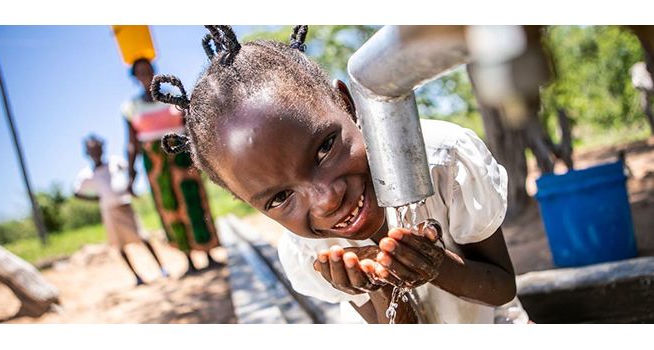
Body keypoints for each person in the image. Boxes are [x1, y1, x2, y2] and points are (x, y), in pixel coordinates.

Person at [150, 25, 528, 323]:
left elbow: (501, 287)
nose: (327, 199)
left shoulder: (441, 162)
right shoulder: (311, 252)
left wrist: (439, 267)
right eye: (280, 198)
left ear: (346, 104)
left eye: (324, 148)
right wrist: (377, 288)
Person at [122, 57, 223, 275]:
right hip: (155, 163)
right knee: (170, 207)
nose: (145, 76)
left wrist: (205, 154)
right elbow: (132, 144)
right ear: (135, 77)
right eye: (140, 72)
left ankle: (207, 252)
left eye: (148, 70)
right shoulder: (131, 108)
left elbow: (191, 127)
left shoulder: (172, 98)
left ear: (154, 71)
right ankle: (188, 259)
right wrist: (131, 177)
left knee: (193, 200)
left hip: (182, 155)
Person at [74, 135, 169, 286]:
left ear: (102, 148)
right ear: (88, 153)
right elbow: (76, 193)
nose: (96, 153)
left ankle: (162, 267)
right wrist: (98, 199)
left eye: (98, 149)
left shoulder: (115, 162)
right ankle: (137, 276)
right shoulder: (87, 175)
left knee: (142, 237)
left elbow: (133, 170)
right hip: (109, 212)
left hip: (125, 205)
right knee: (120, 246)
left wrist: (130, 186)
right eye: (92, 151)